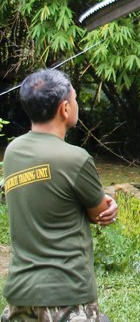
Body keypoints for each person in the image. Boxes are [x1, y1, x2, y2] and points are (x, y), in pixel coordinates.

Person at [2, 68, 118, 322]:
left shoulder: (12, 152)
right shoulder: (75, 158)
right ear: (65, 109)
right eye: (74, 99)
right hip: (66, 294)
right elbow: (100, 213)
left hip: (20, 293)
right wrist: (109, 204)